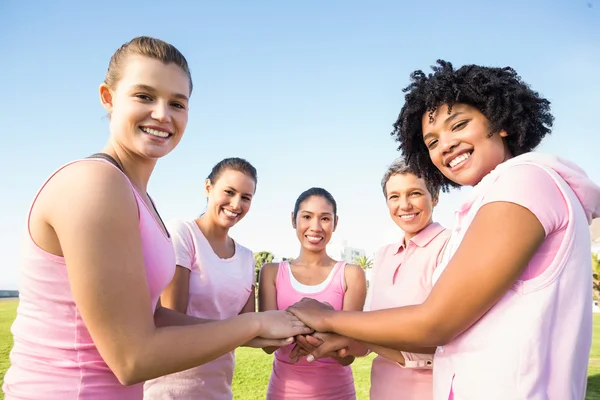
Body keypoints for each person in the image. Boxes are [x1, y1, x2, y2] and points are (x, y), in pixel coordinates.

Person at [2, 36, 310, 400]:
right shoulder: (95, 183)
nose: (162, 114)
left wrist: (252, 331)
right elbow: (131, 357)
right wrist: (254, 321)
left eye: (176, 103)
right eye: (144, 96)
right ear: (108, 97)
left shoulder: (138, 198)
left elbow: (150, 317)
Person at [287, 60, 600, 400]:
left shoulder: (523, 182)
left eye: (459, 124)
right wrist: (358, 338)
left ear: (501, 121)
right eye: (432, 142)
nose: (445, 146)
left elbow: (435, 322)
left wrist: (327, 318)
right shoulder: (498, 194)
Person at [144, 157, 260, 400]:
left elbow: (249, 332)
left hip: (219, 390)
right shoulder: (183, 233)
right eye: (229, 192)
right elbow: (171, 320)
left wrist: (302, 328)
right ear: (208, 188)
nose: (236, 204)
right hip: (171, 389)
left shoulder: (247, 257)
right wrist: (241, 328)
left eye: (246, 197)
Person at [259, 188, 367, 399]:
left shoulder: (351, 274)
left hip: (338, 393)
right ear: (293, 219)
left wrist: (294, 327)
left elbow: (348, 356)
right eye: (307, 216)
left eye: (325, 218)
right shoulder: (271, 272)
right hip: (283, 393)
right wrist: (326, 334)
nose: (315, 227)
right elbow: (268, 346)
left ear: (335, 222)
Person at [364, 159, 449, 399]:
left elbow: (440, 342)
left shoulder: (451, 245)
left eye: (414, 193)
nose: (404, 205)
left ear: (434, 197)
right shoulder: (383, 255)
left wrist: (348, 331)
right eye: (394, 197)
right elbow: (366, 329)